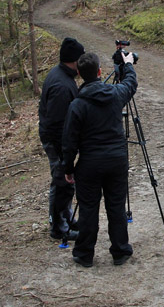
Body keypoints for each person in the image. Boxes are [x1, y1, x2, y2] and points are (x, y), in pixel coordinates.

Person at [62, 51, 137, 267]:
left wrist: (68, 168)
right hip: (116, 161)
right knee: (116, 206)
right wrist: (128, 65)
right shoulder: (115, 94)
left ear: (79, 74)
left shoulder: (77, 104)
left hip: (89, 164)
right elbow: (131, 84)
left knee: (88, 208)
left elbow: (69, 142)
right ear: (99, 72)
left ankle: (85, 254)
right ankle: (120, 251)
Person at [38, 37, 85, 240]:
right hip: (56, 140)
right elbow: (58, 124)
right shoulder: (62, 86)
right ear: (74, 61)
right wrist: (66, 156)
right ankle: (58, 227)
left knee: (64, 183)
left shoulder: (62, 77)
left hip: (57, 137)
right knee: (61, 181)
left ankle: (65, 217)